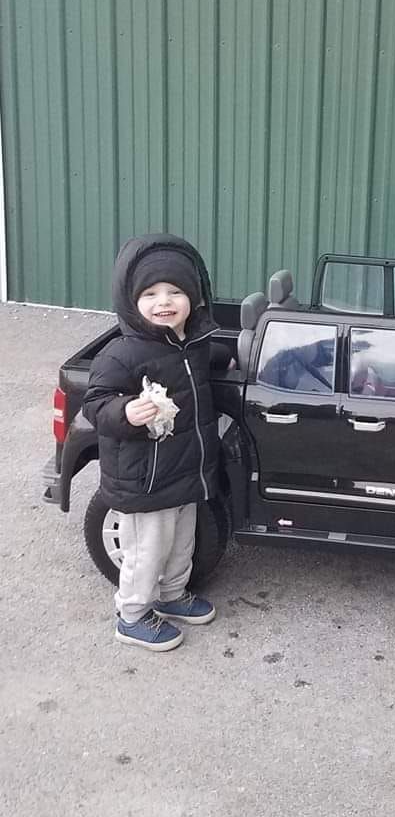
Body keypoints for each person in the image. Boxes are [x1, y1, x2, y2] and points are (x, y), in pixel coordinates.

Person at [83, 234, 231, 652]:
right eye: (150, 293)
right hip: (145, 481)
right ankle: (131, 615)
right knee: (146, 551)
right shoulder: (122, 354)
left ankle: (171, 596)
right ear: (133, 302)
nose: (163, 302)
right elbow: (96, 403)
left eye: (175, 292)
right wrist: (125, 412)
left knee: (181, 543)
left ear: (193, 299)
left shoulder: (193, 345)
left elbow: (201, 364)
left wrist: (231, 358)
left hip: (184, 472)